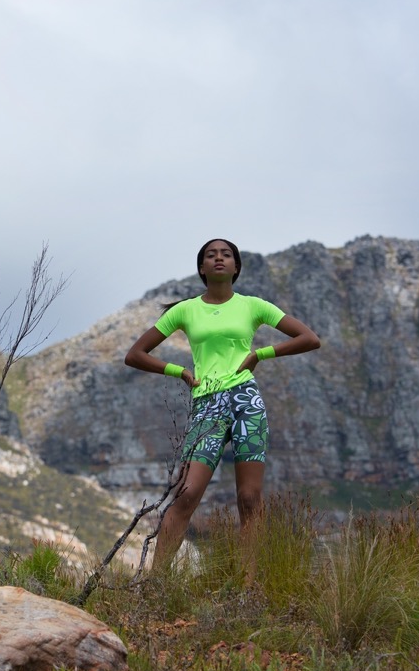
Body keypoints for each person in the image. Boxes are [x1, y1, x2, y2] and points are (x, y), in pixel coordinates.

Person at [124, 238, 320, 573]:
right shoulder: (185, 310)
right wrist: (181, 372)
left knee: (249, 498)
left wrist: (260, 354)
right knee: (186, 494)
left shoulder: (253, 305)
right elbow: (135, 355)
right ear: (201, 268)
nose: (218, 259)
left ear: (236, 267)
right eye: (211, 255)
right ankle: (155, 584)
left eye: (226, 255)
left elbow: (309, 338)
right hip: (207, 406)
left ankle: (249, 585)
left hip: (246, 401)